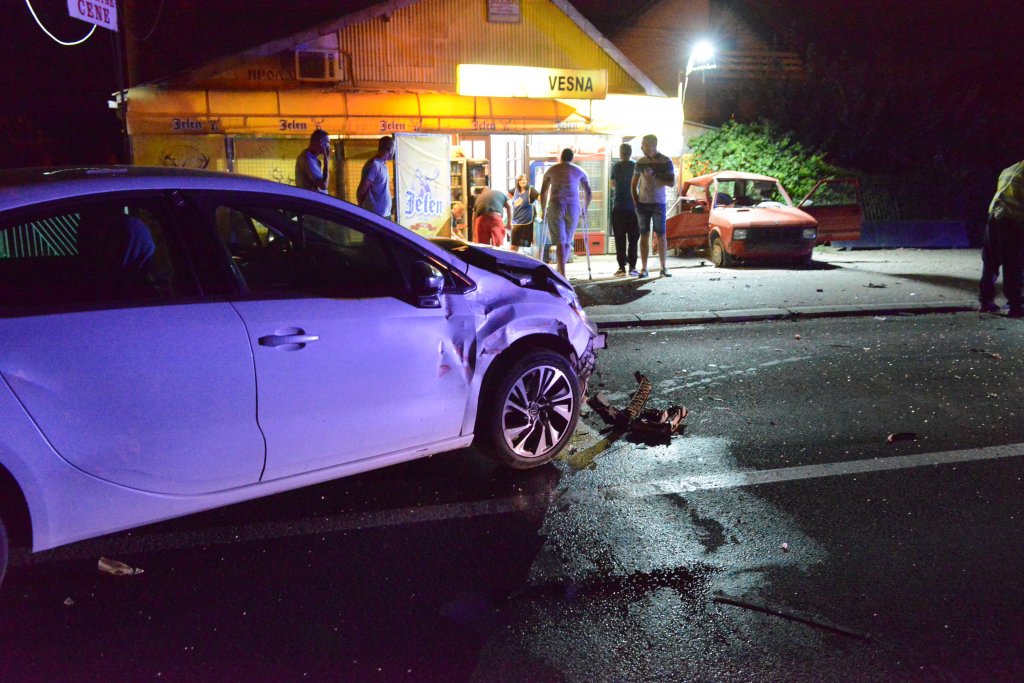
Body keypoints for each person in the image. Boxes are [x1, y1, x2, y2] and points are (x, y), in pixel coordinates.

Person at [979, 159, 1024, 317]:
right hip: (1012, 219)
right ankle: (1015, 304)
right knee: (1013, 263)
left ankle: (986, 301)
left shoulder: (1009, 169)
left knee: (991, 260)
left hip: (995, 215)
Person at [540, 148, 592, 277]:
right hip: (573, 207)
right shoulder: (580, 171)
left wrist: (543, 209)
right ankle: (560, 269)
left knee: (560, 241)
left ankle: (562, 273)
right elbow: (588, 192)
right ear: (572, 158)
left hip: (556, 205)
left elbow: (543, 192)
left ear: (561, 157)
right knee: (567, 240)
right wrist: (585, 208)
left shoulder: (551, 170)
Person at [631, 134, 676, 278]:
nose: (641, 147)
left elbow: (671, 183)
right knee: (644, 235)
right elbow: (633, 184)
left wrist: (655, 176)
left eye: (643, 144)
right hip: (643, 203)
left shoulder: (666, 161)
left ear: (651, 145)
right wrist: (636, 202)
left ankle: (663, 267)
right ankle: (644, 268)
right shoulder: (640, 162)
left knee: (661, 235)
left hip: (659, 203)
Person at [610, 143, 640, 276]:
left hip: (619, 206)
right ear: (630, 153)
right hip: (634, 207)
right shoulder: (636, 165)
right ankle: (633, 267)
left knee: (620, 238)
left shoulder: (616, 166)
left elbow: (612, 184)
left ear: (620, 153)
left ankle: (621, 267)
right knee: (633, 238)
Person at [356, 135, 395, 218]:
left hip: (384, 214)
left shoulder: (382, 164)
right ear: (390, 149)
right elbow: (361, 190)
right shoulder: (374, 165)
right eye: (394, 149)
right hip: (376, 216)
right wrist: (363, 210)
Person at [509, 174, 541, 253]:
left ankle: (512, 257)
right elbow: (509, 193)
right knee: (514, 244)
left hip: (526, 221)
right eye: (520, 180)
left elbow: (539, 198)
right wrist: (513, 200)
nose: (522, 181)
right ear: (518, 182)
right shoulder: (516, 189)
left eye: (524, 179)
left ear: (527, 180)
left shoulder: (531, 190)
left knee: (514, 244)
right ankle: (513, 258)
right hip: (516, 220)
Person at [295, 129, 331, 194]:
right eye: (327, 142)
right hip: (310, 199)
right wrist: (326, 161)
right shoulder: (306, 158)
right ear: (321, 143)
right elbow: (323, 185)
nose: (329, 146)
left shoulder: (315, 160)